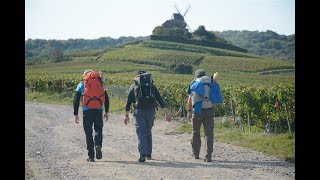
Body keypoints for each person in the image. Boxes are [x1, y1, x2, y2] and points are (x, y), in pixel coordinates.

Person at [124, 70, 172, 162]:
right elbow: (160, 99)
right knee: (148, 131)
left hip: (139, 111)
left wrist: (126, 115)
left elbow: (128, 101)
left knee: (141, 132)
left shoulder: (133, 86)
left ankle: (143, 154)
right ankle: (149, 154)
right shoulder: (152, 86)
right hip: (151, 111)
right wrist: (166, 113)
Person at [73, 69, 110, 162]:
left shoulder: (81, 84)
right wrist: (106, 111)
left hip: (87, 111)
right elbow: (106, 98)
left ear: (85, 76)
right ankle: (98, 144)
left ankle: (91, 156)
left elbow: (76, 99)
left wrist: (76, 114)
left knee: (88, 133)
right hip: (98, 110)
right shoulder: (100, 83)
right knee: (98, 129)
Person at [186, 69, 219, 162]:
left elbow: (189, 99)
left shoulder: (193, 83)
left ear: (196, 76)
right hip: (209, 110)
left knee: (196, 132)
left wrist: (189, 111)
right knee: (209, 134)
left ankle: (196, 154)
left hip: (197, 111)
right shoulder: (211, 82)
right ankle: (208, 156)